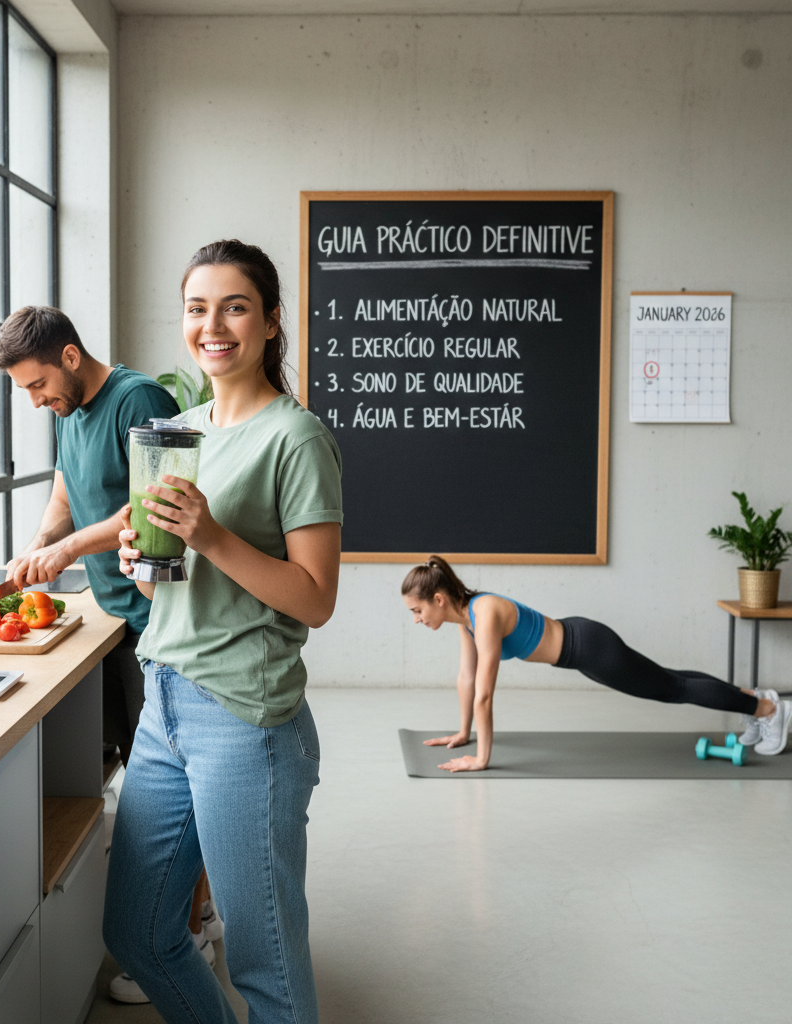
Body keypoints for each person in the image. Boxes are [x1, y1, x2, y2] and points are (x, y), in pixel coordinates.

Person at [103, 239, 343, 1024]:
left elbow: (314, 598)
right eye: (198, 308)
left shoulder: (296, 438)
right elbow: (172, 581)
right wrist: (145, 559)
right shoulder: (177, 430)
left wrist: (209, 537)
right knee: (137, 932)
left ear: (271, 322)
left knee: (264, 964)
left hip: (245, 719)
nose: (214, 325)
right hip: (163, 705)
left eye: (235, 306)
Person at [0, 308, 219, 1004]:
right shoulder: (68, 408)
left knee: (183, 794)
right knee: (142, 779)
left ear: (68, 353)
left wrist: (65, 551)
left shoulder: (140, 398)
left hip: (163, 623)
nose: (36, 401)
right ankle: (180, 914)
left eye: (37, 385)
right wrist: (37, 545)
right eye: (26, 392)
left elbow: (152, 506)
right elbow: (66, 486)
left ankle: (194, 926)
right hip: (121, 622)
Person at [401, 555, 792, 771]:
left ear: (437, 599)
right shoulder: (466, 618)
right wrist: (463, 733)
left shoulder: (483, 614)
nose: (417, 620)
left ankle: (769, 708)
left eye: (417, 611)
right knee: (671, 680)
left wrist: (481, 759)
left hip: (590, 647)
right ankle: (753, 699)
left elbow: (485, 695)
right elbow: (467, 679)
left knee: (673, 689)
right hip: (581, 649)